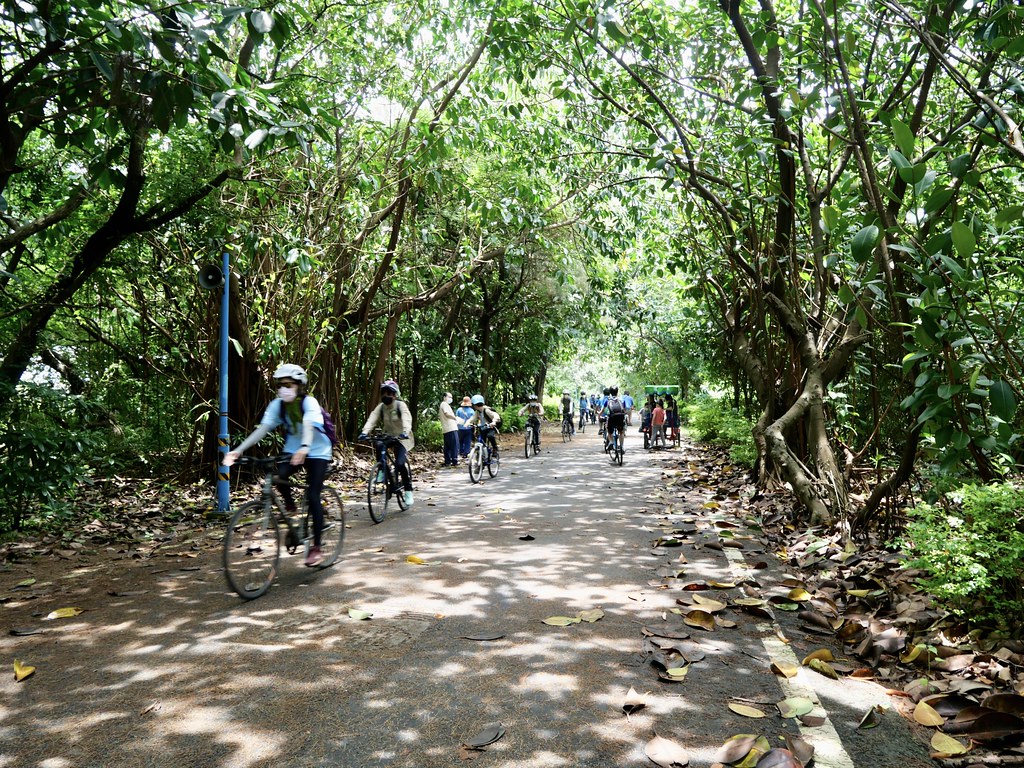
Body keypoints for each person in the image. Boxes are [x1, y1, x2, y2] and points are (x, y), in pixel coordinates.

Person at [223, 364, 333, 567]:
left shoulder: (309, 402)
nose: (283, 389)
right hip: (293, 449)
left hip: (317, 451)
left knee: (314, 494)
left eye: (288, 385)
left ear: (299, 386)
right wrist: (239, 449)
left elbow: (309, 426)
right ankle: (290, 507)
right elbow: (262, 429)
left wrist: (305, 447)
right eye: (280, 385)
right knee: (278, 476)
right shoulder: (277, 405)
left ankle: (316, 547)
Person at [358, 379, 415, 506]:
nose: (386, 395)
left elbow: (407, 419)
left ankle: (408, 490)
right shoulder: (381, 407)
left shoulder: (401, 406)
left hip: (402, 438)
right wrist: (365, 432)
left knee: (400, 463)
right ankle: (382, 471)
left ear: (395, 395)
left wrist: (405, 432)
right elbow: (372, 418)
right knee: (379, 444)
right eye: (384, 393)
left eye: (389, 393)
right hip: (388, 436)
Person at [604, 386, 627, 453]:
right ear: (617, 392)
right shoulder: (621, 400)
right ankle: (622, 446)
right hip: (620, 417)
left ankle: (611, 442)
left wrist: (599, 414)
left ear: (610, 392)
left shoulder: (608, 400)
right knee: (621, 432)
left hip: (612, 418)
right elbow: (624, 410)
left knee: (609, 430)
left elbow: (603, 410)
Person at [439, 391, 459, 467]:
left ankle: (447, 461)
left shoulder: (444, 404)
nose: (451, 399)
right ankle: (454, 460)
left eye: (451, 397)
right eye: (449, 397)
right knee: (454, 445)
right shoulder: (444, 404)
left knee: (447, 446)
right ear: (444, 397)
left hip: (446, 428)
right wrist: (455, 418)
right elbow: (447, 413)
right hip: (451, 428)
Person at [456, 396, 475, 460]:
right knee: (467, 441)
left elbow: (457, 418)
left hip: (460, 428)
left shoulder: (459, 410)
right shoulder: (472, 411)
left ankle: (461, 452)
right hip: (468, 428)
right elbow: (473, 420)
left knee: (460, 441)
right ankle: (466, 453)